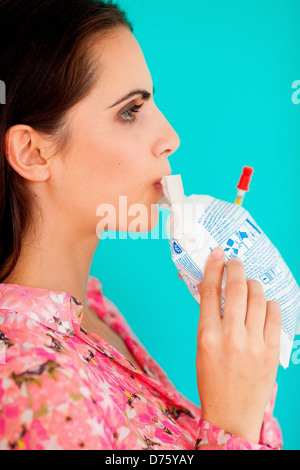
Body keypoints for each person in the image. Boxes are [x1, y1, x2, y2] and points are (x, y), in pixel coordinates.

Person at [0, 0, 283, 450]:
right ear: (34, 153)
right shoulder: (31, 383)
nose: (171, 138)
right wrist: (232, 426)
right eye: (131, 111)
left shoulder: (90, 309)